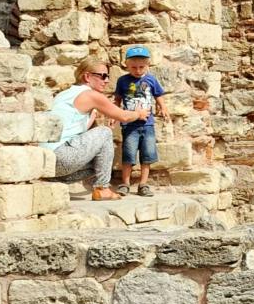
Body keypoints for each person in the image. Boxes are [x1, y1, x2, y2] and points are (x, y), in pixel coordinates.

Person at [45, 56, 152, 201]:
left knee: (99, 161)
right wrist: (139, 113)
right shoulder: (91, 95)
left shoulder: (64, 94)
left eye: (107, 76)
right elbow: (124, 117)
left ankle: (52, 183)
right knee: (105, 132)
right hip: (63, 156)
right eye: (102, 76)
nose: (107, 80)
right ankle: (103, 188)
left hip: (48, 164)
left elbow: (74, 129)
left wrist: (92, 115)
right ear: (87, 76)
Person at [112, 46, 165, 197]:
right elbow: (117, 99)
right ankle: (125, 183)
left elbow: (158, 95)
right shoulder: (122, 81)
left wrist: (163, 107)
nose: (138, 70)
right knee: (128, 155)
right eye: (133, 67)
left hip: (147, 125)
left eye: (142, 67)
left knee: (147, 156)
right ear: (126, 65)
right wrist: (113, 115)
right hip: (129, 125)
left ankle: (143, 184)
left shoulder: (151, 79)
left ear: (147, 65)